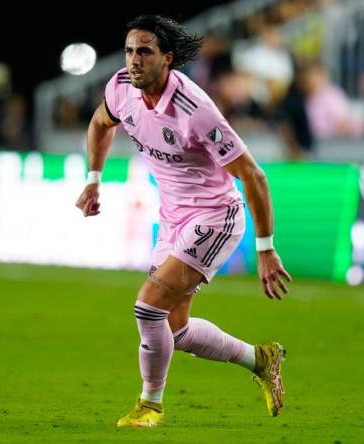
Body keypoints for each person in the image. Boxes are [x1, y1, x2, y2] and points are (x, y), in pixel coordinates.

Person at [75, 15, 292, 428]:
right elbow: (101, 124)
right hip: (173, 216)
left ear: (167, 59)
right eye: (129, 51)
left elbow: (254, 176)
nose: (134, 61)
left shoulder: (196, 110)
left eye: (145, 52)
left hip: (215, 217)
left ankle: (149, 405)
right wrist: (93, 180)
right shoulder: (121, 88)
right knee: (175, 329)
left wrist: (266, 250)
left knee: (147, 307)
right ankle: (261, 359)